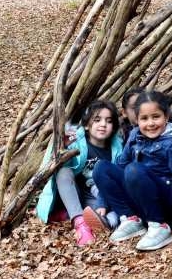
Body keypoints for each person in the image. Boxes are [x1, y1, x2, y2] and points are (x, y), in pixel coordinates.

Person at [92, 91, 172, 251]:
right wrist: (102, 201)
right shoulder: (135, 135)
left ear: (166, 116)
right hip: (142, 200)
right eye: (144, 118)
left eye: (156, 117)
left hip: (168, 207)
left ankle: (159, 226)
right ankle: (131, 219)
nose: (150, 123)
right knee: (102, 168)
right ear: (136, 120)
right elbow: (120, 167)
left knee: (133, 170)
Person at [36, 100, 123, 246]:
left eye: (108, 121)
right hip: (74, 192)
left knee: (112, 214)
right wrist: (62, 147)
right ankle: (80, 222)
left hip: (98, 197)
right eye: (97, 120)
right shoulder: (76, 141)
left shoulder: (117, 148)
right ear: (87, 125)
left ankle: (101, 222)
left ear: (113, 127)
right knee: (63, 172)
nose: (103, 124)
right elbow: (49, 165)